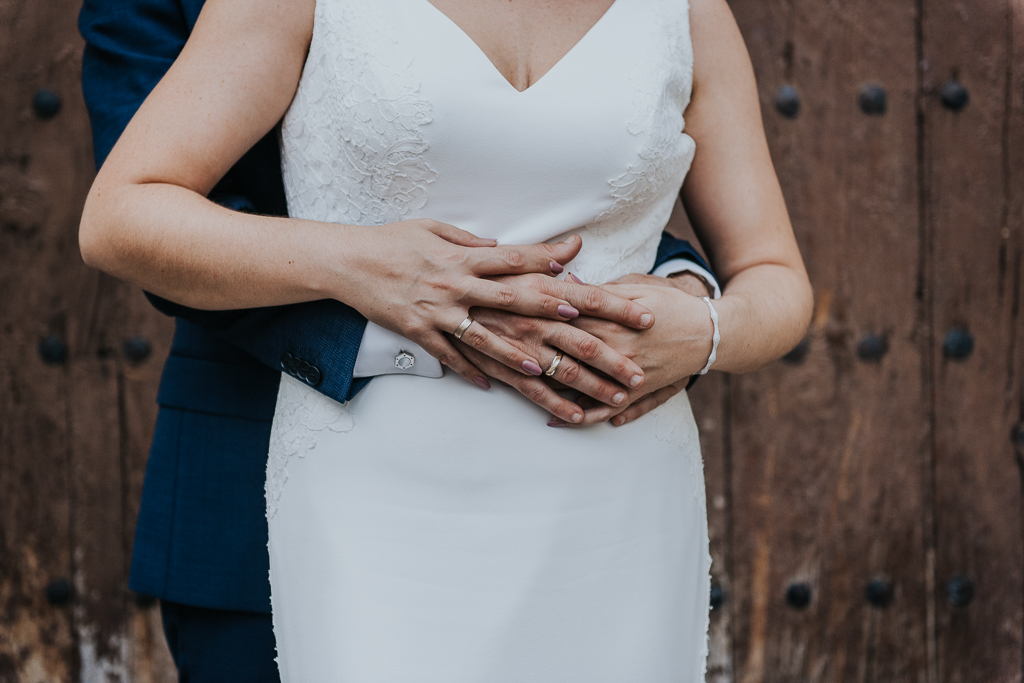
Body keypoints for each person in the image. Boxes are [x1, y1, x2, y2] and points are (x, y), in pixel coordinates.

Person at [79, 0, 812, 679]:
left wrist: (706, 325)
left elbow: (770, 272)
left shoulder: (686, 11)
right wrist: (363, 264)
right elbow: (125, 212)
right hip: (373, 496)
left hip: (615, 503)